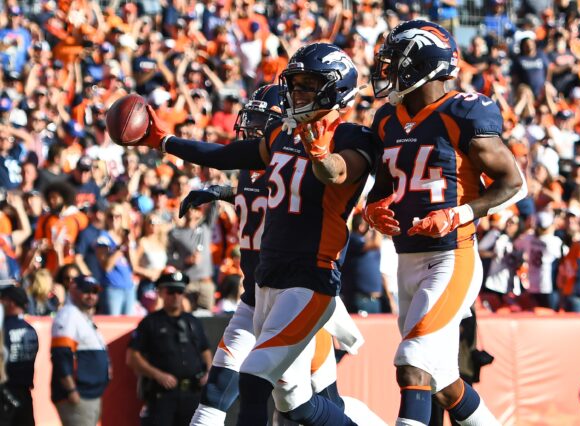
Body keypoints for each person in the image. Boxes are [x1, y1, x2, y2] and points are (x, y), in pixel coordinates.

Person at [127, 42, 377, 425]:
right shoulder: (282, 135)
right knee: (295, 404)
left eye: (309, 85)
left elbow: (335, 173)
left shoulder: (352, 136)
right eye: (295, 84)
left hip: (310, 281)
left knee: (253, 378)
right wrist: (164, 141)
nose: (297, 93)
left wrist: (319, 152)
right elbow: (224, 156)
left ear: (334, 88)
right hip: (266, 283)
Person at [366, 20, 526, 425]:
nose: (386, 71)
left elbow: (514, 183)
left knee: (411, 364)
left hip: (452, 256)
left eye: (395, 62)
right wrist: (372, 208)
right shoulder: (387, 119)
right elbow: (382, 186)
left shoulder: (463, 110)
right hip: (407, 258)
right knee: (442, 379)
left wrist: (459, 213)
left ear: (423, 65)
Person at [183, 84, 365, 425]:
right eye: (249, 124)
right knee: (215, 399)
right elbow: (255, 191)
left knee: (302, 409)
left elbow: (306, 200)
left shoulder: (297, 169)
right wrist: (221, 191)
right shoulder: (258, 171)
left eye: (260, 124)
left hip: (296, 298)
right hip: (253, 300)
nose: (251, 131)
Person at [126, 269, 212, 426]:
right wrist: (158, 375)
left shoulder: (193, 322)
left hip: (192, 393)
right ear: (161, 293)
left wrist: (208, 372)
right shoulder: (150, 322)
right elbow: (132, 357)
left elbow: (205, 349)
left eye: (180, 291)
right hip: (162, 395)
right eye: (171, 291)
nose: (176, 296)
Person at [51, 275, 110, 426]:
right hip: (79, 394)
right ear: (73, 290)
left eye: (95, 292)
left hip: (90, 394)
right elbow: (61, 354)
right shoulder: (68, 314)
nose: (91, 295)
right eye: (86, 291)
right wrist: (70, 389)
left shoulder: (82, 316)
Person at [1, 286, 38, 426]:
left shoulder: (3, 329)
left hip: (5, 394)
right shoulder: (30, 329)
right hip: (25, 393)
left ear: (10, 303)